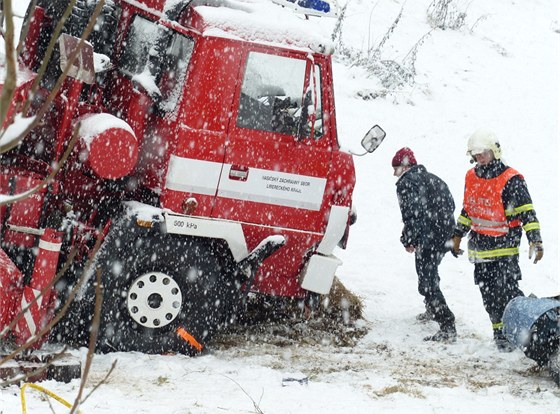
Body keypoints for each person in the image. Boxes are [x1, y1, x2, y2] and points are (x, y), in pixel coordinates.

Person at [451, 128, 543, 352]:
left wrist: (535, 240)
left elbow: (527, 213)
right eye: (476, 154)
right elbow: (469, 209)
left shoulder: (511, 179)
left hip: (505, 249)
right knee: (489, 298)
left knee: (509, 295)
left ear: (495, 152)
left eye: (483, 153)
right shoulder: (471, 177)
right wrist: (457, 234)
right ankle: (500, 335)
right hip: (480, 250)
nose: (479, 157)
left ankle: (531, 330)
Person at [392, 147, 457, 342]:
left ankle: (447, 324)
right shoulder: (434, 178)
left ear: (404, 167)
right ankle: (431, 309)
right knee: (431, 272)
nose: (393, 173)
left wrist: (410, 239)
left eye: (395, 168)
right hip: (445, 236)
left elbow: (413, 215)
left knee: (427, 282)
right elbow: (450, 205)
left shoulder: (407, 183)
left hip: (429, 238)